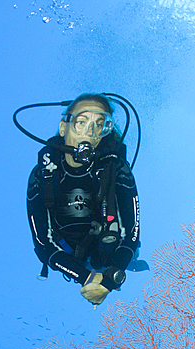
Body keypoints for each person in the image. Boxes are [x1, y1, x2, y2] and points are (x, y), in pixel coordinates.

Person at [26, 94, 140, 306]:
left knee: (127, 248)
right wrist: (85, 278)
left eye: (99, 125)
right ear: (63, 128)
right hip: (68, 255)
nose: (90, 132)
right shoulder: (42, 176)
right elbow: (43, 244)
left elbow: (131, 236)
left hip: (108, 251)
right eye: (81, 122)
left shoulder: (117, 170)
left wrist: (110, 279)